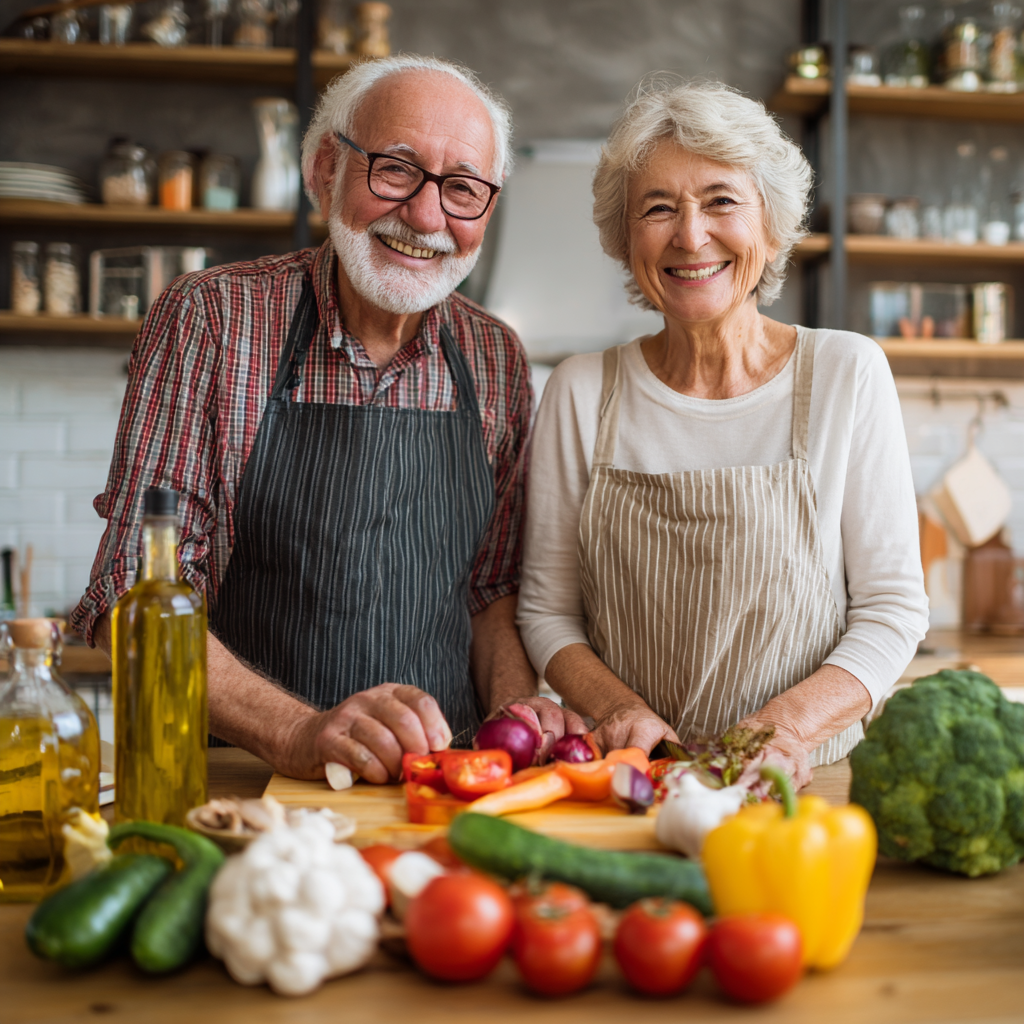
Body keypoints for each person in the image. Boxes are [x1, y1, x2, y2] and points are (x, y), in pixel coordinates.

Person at [72, 55, 582, 784]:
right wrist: (298, 733)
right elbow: (129, 594)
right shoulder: (213, 319)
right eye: (397, 171)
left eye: (462, 189)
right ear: (323, 172)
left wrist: (518, 716)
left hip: (447, 789)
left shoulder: (495, 355)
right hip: (245, 782)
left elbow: (491, 590)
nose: (428, 217)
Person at [517, 78, 929, 788]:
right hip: (636, 783)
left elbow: (893, 609)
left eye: (720, 201)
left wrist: (785, 728)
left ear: (770, 225)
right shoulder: (581, 389)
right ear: (624, 241)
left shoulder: (845, 372)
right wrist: (616, 708)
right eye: (657, 208)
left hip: (806, 793)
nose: (690, 234)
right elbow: (547, 612)